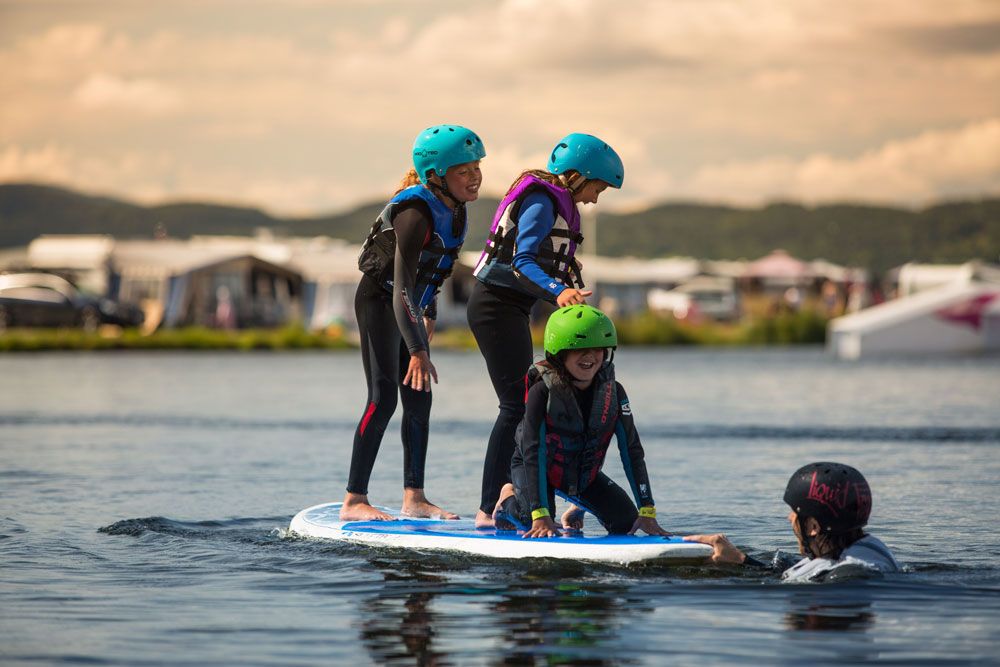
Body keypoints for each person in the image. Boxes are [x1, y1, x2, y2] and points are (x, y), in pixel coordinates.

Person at [468, 132, 624, 527]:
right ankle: (489, 509)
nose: (593, 199)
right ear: (576, 176)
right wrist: (559, 291)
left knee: (546, 404)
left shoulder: (560, 204)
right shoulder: (540, 201)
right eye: (596, 188)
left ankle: (550, 495)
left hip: (514, 308)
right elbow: (522, 261)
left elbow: (554, 262)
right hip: (494, 306)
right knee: (515, 406)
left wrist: (571, 285)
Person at [342, 124, 486, 521]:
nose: (474, 176)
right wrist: (419, 348)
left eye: (477, 167)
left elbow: (434, 271)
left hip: (410, 307)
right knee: (384, 397)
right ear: (437, 175)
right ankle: (354, 500)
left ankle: (414, 497)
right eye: (464, 170)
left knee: (420, 398)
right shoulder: (415, 211)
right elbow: (400, 284)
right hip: (379, 301)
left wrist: (431, 315)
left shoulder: (455, 210)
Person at [492, 305, 670, 539]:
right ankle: (507, 500)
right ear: (559, 353)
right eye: (580, 349)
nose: (590, 356)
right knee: (530, 521)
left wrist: (647, 509)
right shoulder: (541, 392)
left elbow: (632, 451)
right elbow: (532, 451)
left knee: (626, 522)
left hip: (582, 475)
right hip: (534, 469)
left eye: (598, 349)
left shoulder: (615, 393)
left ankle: (578, 505)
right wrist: (540, 513)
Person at [685, 462, 901, 582]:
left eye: (795, 513)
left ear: (814, 527)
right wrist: (741, 561)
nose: (790, 518)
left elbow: (847, 579)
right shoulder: (871, 548)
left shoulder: (847, 575)